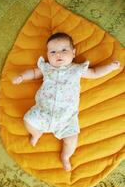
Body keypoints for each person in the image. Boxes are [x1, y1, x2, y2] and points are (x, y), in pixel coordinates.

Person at [12, 32, 121, 171]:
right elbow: (33, 73)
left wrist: (111, 67)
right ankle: (36, 133)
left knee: (71, 139)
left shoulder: (76, 69)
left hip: (66, 118)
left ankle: (65, 156)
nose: (58, 54)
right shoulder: (46, 68)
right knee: (28, 119)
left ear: (73, 53)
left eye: (64, 50)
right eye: (53, 52)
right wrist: (22, 77)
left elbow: (94, 73)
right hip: (43, 111)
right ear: (47, 55)